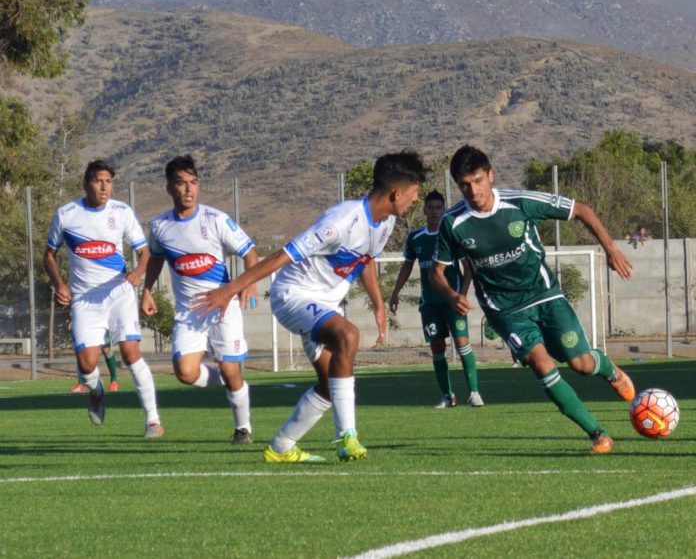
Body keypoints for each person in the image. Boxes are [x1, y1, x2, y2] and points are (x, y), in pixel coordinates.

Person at [194, 151, 427, 463]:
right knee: (348, 336)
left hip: (325, 304)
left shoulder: (384, 224)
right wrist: (231, 289)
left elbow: (365, 260)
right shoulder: (340, 222)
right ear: (396, 193)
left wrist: (378, 303)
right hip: (293, 296)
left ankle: (281, 447)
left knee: (331, 386)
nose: (414, 201)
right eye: (413, 195)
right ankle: (347, 436)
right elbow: (281, 256)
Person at [430, 145, 635, 454]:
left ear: (490, 175)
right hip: (505, 309)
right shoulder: (452, 223)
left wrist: (611, 248)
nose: (473, 190)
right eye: (464, 185)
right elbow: (437, 272)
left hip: (545, 295)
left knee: (580, 363)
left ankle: (605, 366)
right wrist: (451, 293)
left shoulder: (520, 202)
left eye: (477, 181)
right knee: (542, 364)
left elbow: (581, 209)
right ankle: (598, 434)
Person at [141, 155, 259, 445]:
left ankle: (242, 428)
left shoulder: (216, 219)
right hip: (189, 312)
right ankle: (231, 380)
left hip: (223, 307)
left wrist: (249, 284)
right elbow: (155, 258)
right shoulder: (159, 226)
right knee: (185, 372)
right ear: (169, 188)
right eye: (181, 184)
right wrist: (146, 290)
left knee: (231, 370)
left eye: (193, 183)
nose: (188, 190)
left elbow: (249, 251)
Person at [44, 160, 163, 437]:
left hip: (119, 293)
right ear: (86, 183)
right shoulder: (67, 214)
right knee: (86, 365)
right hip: (85, 299)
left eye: (109, 181)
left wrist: (136, 273)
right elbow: (49, 254)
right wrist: (59, 284)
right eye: (98, 181)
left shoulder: (121, 212)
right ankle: (96, 391)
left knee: (131, 354)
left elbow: (145, 252)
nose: (104, 186)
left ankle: (153, 421)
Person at [389, 190, 483, 408]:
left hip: (452, 300)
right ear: (424, 210)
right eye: (430, 207)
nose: (434, 212)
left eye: (438, 208)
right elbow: (407, 265)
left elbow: (468, 268)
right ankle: (447, 396)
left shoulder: (451, 235)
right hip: (429, 303)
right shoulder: (416, 237)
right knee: (437, 347)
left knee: (462, 344)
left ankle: (474, 393)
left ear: (444, 210)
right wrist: (395, 292)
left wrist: (462, 294)